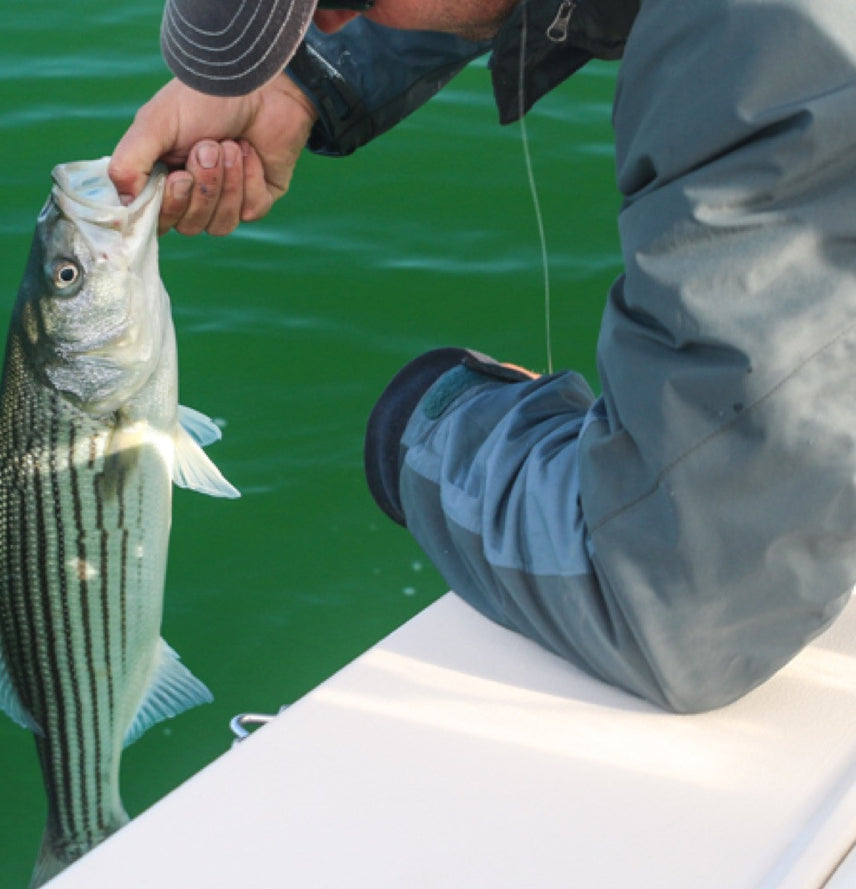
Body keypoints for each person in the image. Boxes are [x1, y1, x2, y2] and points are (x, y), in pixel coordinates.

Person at [109, 0, 856, 713]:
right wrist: (298, 75)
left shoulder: (763, 46)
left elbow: (681, 602)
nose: (326, 21)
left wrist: (429, 422)